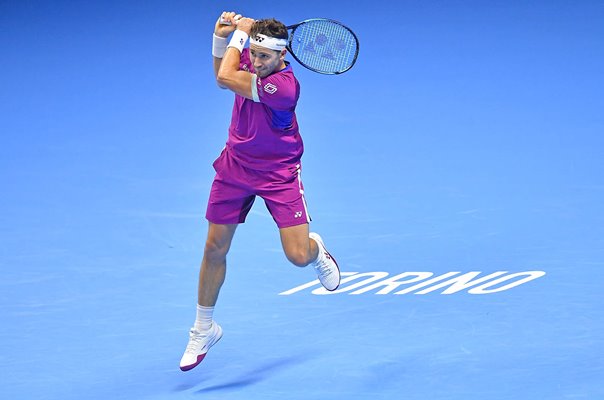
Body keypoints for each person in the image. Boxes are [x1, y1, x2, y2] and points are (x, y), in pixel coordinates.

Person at [179, 11, 341, 372]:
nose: (256, 61)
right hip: (235, 166)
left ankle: (318, 251)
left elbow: (224, 74)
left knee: (297, 256)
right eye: (254, 54)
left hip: (278, 174)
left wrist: (238, 34)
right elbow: (223, 79)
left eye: (264, 56)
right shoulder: (251, 65)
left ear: (282, 56)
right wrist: (221, 37)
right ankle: (204, 328)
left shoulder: (282, 86)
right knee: (213, 248)